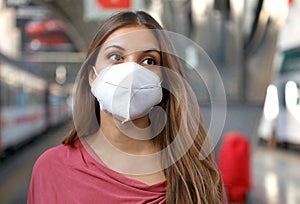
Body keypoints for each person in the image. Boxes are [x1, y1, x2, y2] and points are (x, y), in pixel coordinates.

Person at [28, 10, 225, 204]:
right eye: (116, 57)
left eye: (148, 60)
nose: (131, 71)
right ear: (92, 76)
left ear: (164, 80)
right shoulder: (51, 169)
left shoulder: (198, 176)